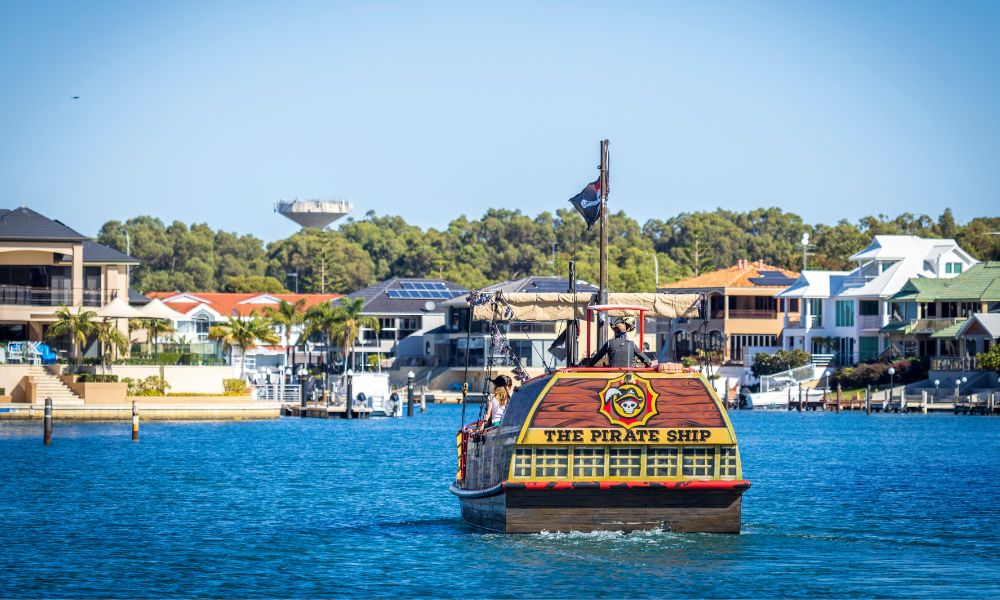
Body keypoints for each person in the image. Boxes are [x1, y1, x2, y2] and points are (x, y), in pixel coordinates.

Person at [583, 318, 658, 368]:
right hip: (628, 376)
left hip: (612, 376)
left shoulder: (609, 343)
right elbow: (644, 359)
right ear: (625, 333)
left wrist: (588, 365)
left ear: (615, 332)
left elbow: (597, 357)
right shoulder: (632, 344)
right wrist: (651, 363)